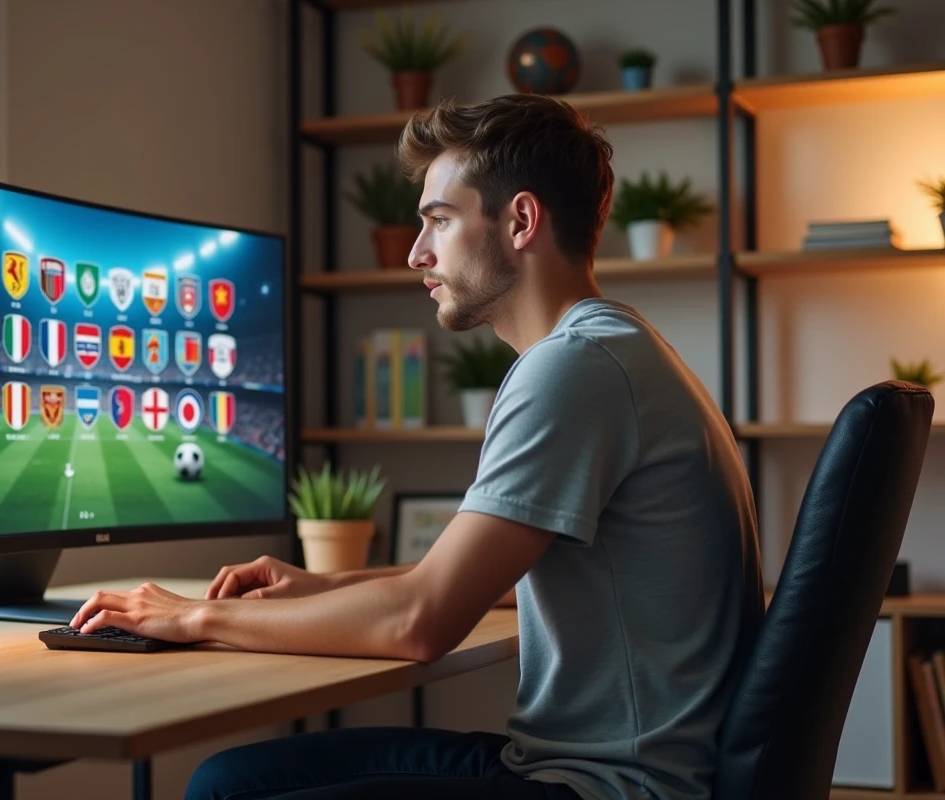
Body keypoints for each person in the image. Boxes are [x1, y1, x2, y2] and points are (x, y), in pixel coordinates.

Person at [72, 93, 764, 800]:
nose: (415, 253)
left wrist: (192, 617)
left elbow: (418, 624)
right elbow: (477, 578)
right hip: (600, 767)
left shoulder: (575, 367)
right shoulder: (612, 347)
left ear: (521, 220)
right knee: (227, 777)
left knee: (226, 793)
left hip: (613, 788)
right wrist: (321, 586)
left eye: (439, 220)